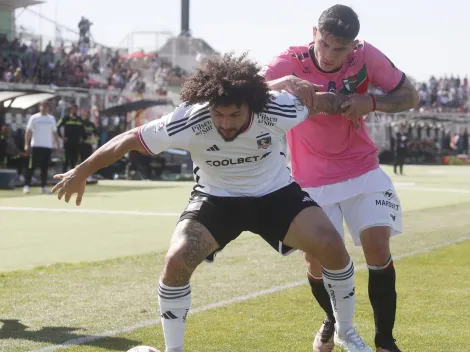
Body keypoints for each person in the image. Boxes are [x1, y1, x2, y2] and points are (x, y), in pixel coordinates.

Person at [52, 53, 372, 352]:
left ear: (252, 106)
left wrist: (350, 103)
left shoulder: (278, 109)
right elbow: (129, 139)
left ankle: (344, 329)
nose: (226, 123)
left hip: (275, 195)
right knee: (176, 262)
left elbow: (321, 102)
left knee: (332, 245)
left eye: (235, 114)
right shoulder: (189, 120)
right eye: (219, 114)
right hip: (216, 200)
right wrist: (82, 171)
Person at [261, 5, 419, 352]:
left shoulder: (365, 57)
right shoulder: (289, 61)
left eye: (340, 49)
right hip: (310, 179)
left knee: (378, 248)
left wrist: (371, 102)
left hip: (362, 169)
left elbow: (410, 95)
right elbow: (241, 90)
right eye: (325, 45)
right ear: (314, 33)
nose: (331, 55)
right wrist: (281, 83)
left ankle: (385, 341)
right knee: (317, 262)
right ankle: (332, 319)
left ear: (354, 45)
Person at [24, 101, 60, 194]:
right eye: (42, 106)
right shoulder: (34, 118)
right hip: (36, 146)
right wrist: (26, 144)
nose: (44, 108)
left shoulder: (51, 119)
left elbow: (54, 132)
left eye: (46, 106)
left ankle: (43, 186)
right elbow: (28, 131)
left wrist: (57, 144)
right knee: (31, 167)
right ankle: (27, 185)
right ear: (40, 107)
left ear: (48, 108)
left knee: (45, 168)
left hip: (47, 147)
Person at [57, 103, 84, 172]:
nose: (74, 110)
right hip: (67, 143)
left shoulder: (79, 119)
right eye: (73, 109)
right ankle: (63, 177)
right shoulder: (66, 118)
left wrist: (82, 138)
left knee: (74, 161)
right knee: (66, 160)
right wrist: (62, 137)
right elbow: (57, 127)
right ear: (70, 110)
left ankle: (72, 178)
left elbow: (83, 130)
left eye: (76, 109)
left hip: (76, 143)